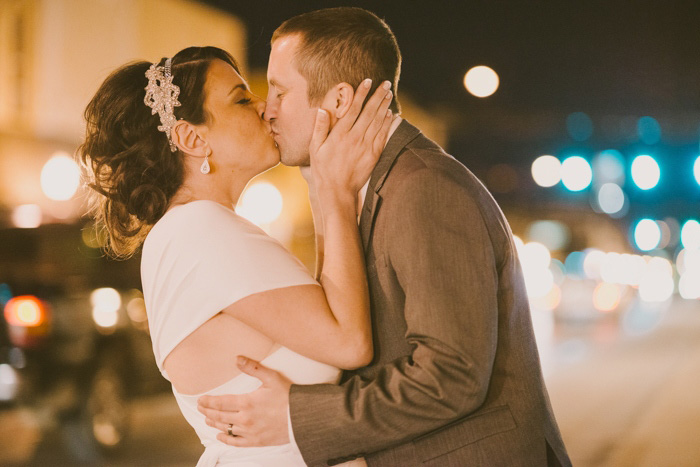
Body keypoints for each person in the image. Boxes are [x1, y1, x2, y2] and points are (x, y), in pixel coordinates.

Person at [198, 7, 572, 467]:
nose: (266, 109)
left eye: (279, 91)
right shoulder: (362, 182)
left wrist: (298, 417)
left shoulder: (424, 188)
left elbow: (452, 375)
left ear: (336, 101)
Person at [79, 45, 394, 466]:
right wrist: (333, 190)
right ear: (192, 137)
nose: (264, 108)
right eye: (242, 99)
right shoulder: (202, 231)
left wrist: (323, 187)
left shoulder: (185, 232)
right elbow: (350, 342)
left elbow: (328, 314)